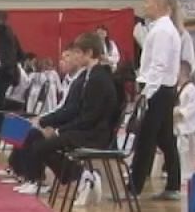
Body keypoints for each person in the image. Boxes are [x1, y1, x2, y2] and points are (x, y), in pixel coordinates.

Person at [6, 35, 119, 195]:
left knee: (40, 145)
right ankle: (74, 175)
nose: (74, 56)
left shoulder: (98, 78)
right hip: (85, 129)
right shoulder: (90, 75)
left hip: (95, 134)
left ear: (89, 53)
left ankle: (80, 175)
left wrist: (58, 131)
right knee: (33, 136)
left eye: (77, 52)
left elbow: (88, 117)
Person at [126, 0, 183, 200]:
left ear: (158, 5)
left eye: (147, 2)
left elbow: (158, 65)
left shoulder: (162, 31)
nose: (144, 6)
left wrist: (146, 94)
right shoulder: (161, 28)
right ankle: (173, 185)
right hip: (163, 89)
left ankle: (134, 188)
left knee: (145, 138)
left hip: (158, 90)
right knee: (165, 138)